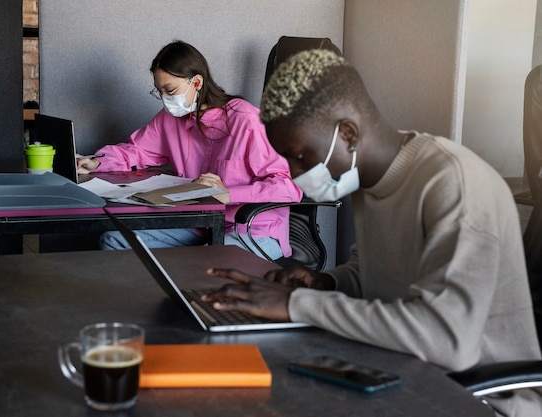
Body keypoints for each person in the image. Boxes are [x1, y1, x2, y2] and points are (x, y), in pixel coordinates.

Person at [201, 49, 542, 416]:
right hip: (402, 372)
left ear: (347, 133)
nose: (296, 173)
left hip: (478, 398)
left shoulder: (453, 183)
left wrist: (294, 305)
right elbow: (380, 280)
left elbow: (449, 341)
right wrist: (324, 283)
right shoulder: (367, 182)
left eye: (299, 154)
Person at [77, 41, 302, 258]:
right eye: (159, 92)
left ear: (196, 82)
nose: (165, 99)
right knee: (116, 240)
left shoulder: (247, 120)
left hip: (252, 229)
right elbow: (138, 150)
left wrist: (228, 195)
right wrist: (98, 161)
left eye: (170, 90)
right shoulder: (170, 119)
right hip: (200, 223)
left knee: (202, 264)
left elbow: (288, 188)